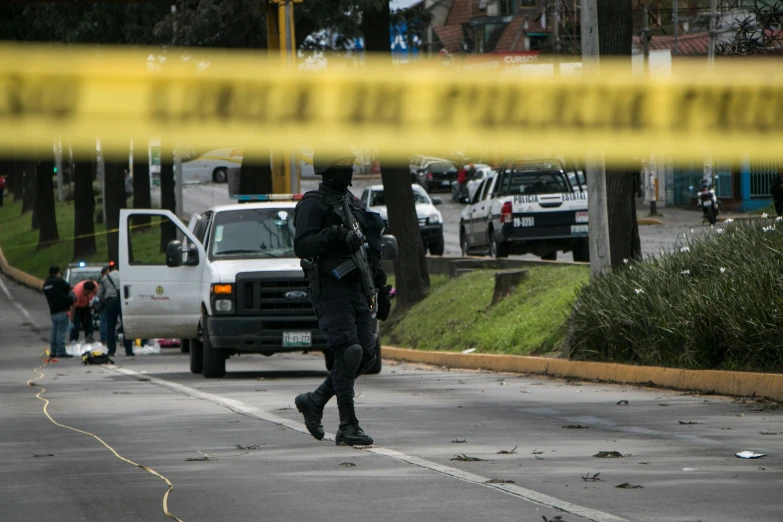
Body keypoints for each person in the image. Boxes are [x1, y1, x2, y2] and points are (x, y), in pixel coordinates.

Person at [293, 152, 392, 446]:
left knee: (367, 353)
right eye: (343, 168)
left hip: (357, 287)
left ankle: (315, 400)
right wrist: (334, 234)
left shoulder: (353, 203)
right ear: (327, 170)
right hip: (330, 288)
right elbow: (302, 245)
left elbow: (369, 252)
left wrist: (381, 287)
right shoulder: (314, 203)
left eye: (350, 167)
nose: (349, 173)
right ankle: (348, 425)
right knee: (348, 352)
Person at [97, 263, 133, 356]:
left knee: (111, 327)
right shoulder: (124, 276)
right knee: (125, 325)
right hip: (122, 301)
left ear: (109, 270)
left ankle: (111, 350)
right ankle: (129, 350)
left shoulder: (105, 278)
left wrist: (105, 301)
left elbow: (99, 294)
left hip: (110, 302)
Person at [42, 266, 74, 360]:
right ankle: (61, 351)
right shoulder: (59, 281)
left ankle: (53, 352)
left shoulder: (46, 284)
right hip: (63, 309)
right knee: (61, 332)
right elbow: (71, 287)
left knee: (54, 331)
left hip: (53, 310)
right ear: (58, 272)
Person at [97, 266, 110, 343]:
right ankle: (104, 337)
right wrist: (105, 301)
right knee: (104, 321)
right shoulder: (103, 280)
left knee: (105, 321)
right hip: (104, 303)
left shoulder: (103, 280)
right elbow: (100, 294)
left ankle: (105, 337)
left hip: (104, 302)